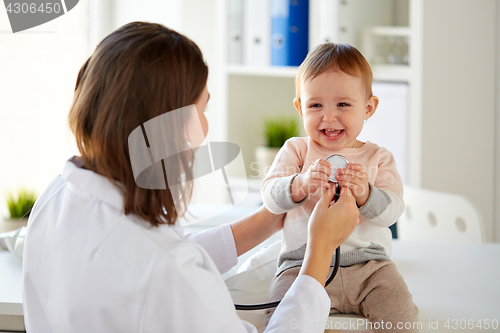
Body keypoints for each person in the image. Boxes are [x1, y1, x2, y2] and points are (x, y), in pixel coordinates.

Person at [22, 22, 360, 332]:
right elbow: (168, 267)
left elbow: (169, 253)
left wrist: (270, 219)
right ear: (171, 126)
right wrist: (320, 250)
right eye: (203, 110)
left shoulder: (55, 197)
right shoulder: (169, 273)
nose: (204, 129)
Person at [261, 43, 419, 332]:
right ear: (300, 107)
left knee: (402, 318)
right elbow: (270, 197)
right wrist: (301, 184)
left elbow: (392, 212)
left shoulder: (378, 157)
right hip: (303, 266)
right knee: (280, 316)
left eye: (343, 104)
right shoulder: (296, 151)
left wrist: (366, 194)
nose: (329, 117)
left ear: (368, 108)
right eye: (315, 105)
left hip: (371, 268)